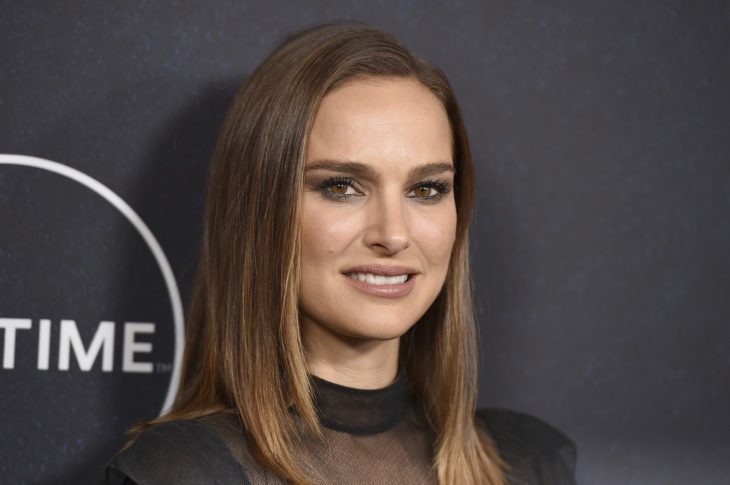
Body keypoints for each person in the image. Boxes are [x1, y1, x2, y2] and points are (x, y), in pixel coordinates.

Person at [99, 22, 577, 485]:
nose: (392, 234)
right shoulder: (181, 473)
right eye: (342, 187)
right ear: (263, 213)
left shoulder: (528, 463)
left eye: (427, 189)